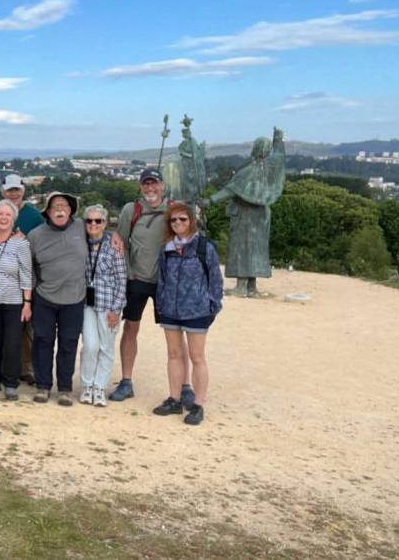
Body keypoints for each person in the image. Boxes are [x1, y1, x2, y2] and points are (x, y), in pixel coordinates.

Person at [109, 168, 193, 407]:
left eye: (154, 184)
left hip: (166, 283)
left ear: (163, 186)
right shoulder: (131, 210)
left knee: (175, 334)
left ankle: (184, 385)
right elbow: (120, 241)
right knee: (131, 328)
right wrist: (127, 272)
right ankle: (126, 381)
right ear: (140, 187)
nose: (150, 189)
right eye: (146, 184)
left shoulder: (175, 210)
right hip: (137, 278)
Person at [152, 202, 223, 425]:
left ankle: (198, 404)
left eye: (182, 219)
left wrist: (213, 305)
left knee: (197, 357)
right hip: (170, 310)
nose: (177, 223)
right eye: (173, 220)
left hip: (197, 309)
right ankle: (174, 398)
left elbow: (215, 279)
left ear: (192, 220)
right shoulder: (167, 248)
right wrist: (161, 303)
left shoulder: (204, 247)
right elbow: (161, 278)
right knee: (173, 355)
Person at [0, 174, 42, 384]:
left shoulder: (35, 216)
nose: (13, 194)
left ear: (23, 191)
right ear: (2, 192)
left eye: (17, 190)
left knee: (23, 335)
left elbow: (46, 238)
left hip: (22, 285)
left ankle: (24, 369)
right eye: (9, 190)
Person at [204, 127, 286, 297]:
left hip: (245, 215)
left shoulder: (248, 172)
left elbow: (229, 190)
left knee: (243, 248)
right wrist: (278, 140)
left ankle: (241, 287)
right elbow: (279, 156)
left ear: (255, 150)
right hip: (262, 216)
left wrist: (209, 201)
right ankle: (252, 287)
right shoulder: (272, 169)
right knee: (256, 249)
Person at [27, 192, 87, 406]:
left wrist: (114, 237)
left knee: (68, 343)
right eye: (55, 206)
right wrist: (34, 289)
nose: (60, 209)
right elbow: (28, 266)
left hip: (75, 298)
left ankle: (64, 388)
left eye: (64, 205)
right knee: (43, 341)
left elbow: (101, 234)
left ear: (71, 210)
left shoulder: (82, 227)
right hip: (45, 297)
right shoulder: (35, 235)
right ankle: (43, 386)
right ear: (48, 212)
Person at [0, 200, 32, 401]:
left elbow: (27, 274)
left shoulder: (21, 243)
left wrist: (27, 303)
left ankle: (10, 382)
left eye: (7, 215)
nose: (3, 218)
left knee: (12, 343)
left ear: (13, 219)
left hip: (14, 301)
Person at [78, 204, 127, 407]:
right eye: (89, 220)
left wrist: (116, 309)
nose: (93, 224)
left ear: (105, 223)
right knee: (90, 346)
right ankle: (86, 385)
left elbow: (121, 279)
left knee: (106, 348)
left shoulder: (114, 246)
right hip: (86, 304)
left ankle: (99, 387)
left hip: (108, 304)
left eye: (98, 221)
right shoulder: (80, 243)